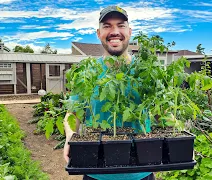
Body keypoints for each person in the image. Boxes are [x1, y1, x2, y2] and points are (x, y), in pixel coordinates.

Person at [63, 5, 155, 180]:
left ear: (130, 31)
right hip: (96, 173)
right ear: (98, 33)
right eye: (107, 26)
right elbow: (72, 113)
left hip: (141, 172)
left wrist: (179, 133)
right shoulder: (87, 72)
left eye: (121, 25)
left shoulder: (146, 71)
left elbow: (163, 113)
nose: (115, 31)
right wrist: (70, 135)